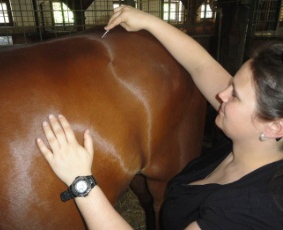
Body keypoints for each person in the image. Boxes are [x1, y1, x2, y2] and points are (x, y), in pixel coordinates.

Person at [36, 5, 283, 230]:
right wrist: (148, 21)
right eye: (230, 83)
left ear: (274, 126)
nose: (221, 93)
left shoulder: (250, 212)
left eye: (235, 95)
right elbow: (200, 65)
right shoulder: (255, 146)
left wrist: (81, 181)